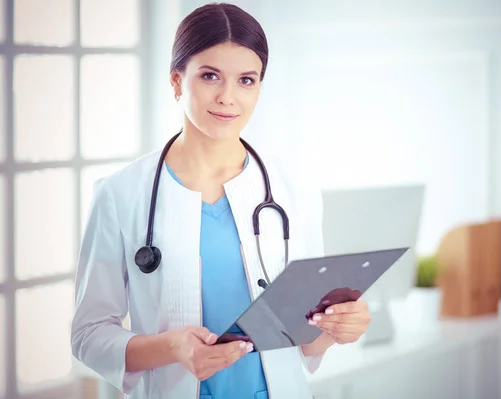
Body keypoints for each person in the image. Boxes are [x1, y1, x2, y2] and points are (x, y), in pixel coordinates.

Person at [70, 3, 371, 399]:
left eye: (246, 80)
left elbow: (307, 338)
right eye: (210, 76)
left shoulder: (292, 188)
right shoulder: (121, 194)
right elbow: (88, 335)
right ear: (177, 81)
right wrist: (174, 347)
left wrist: (337, 328)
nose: (228, 97)